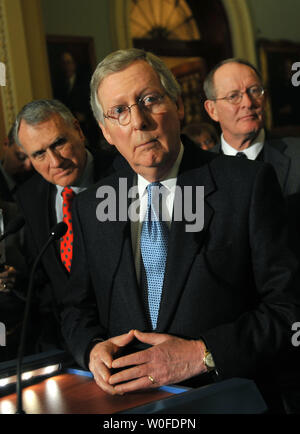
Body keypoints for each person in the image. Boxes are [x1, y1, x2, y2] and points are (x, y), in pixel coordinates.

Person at [60, 48, 300, 412]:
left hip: (227, 400)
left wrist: (203, 354)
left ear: (179, 106)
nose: (138, 121)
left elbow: (288, 309)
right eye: (119, 111)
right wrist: (92, 348)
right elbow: (75, 308)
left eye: (149, 99)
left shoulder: (246, 185)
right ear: (107, 132)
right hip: (131, 409)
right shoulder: (92, 206)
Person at [12, 99, 116, 352]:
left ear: (78, 131)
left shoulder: (123, 174)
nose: (55, 161)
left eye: (59, 143)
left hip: (129, 338)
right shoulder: (29, 197)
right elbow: (47, 285)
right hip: (72, 346)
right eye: (39, 154)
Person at [203, 58, 300, 196]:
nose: (248, 103)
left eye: (254, 91)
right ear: (212, 110)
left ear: (265, 98)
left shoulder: (297, 155)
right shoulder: (197, 169)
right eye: (233, 96)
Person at [0, 127, 33, 361]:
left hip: (19, 324)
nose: (29, 165)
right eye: (22, 157)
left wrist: (17, 277)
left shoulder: (18, 208)